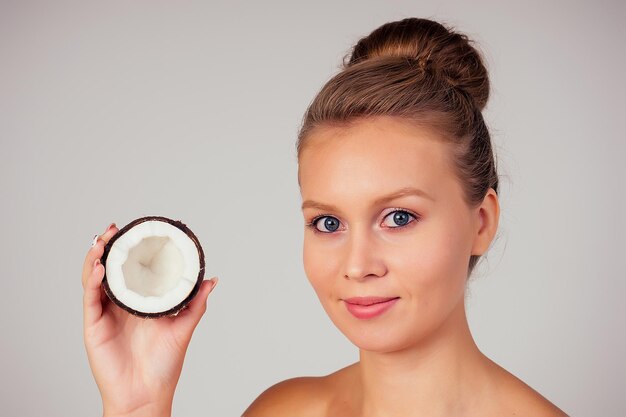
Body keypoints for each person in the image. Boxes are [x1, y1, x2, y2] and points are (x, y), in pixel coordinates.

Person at [82, 17, 568, 417]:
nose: (357, 265)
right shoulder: (281, 412)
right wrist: (138, 404)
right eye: (328, 223)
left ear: (481, 222)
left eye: (398, 217)